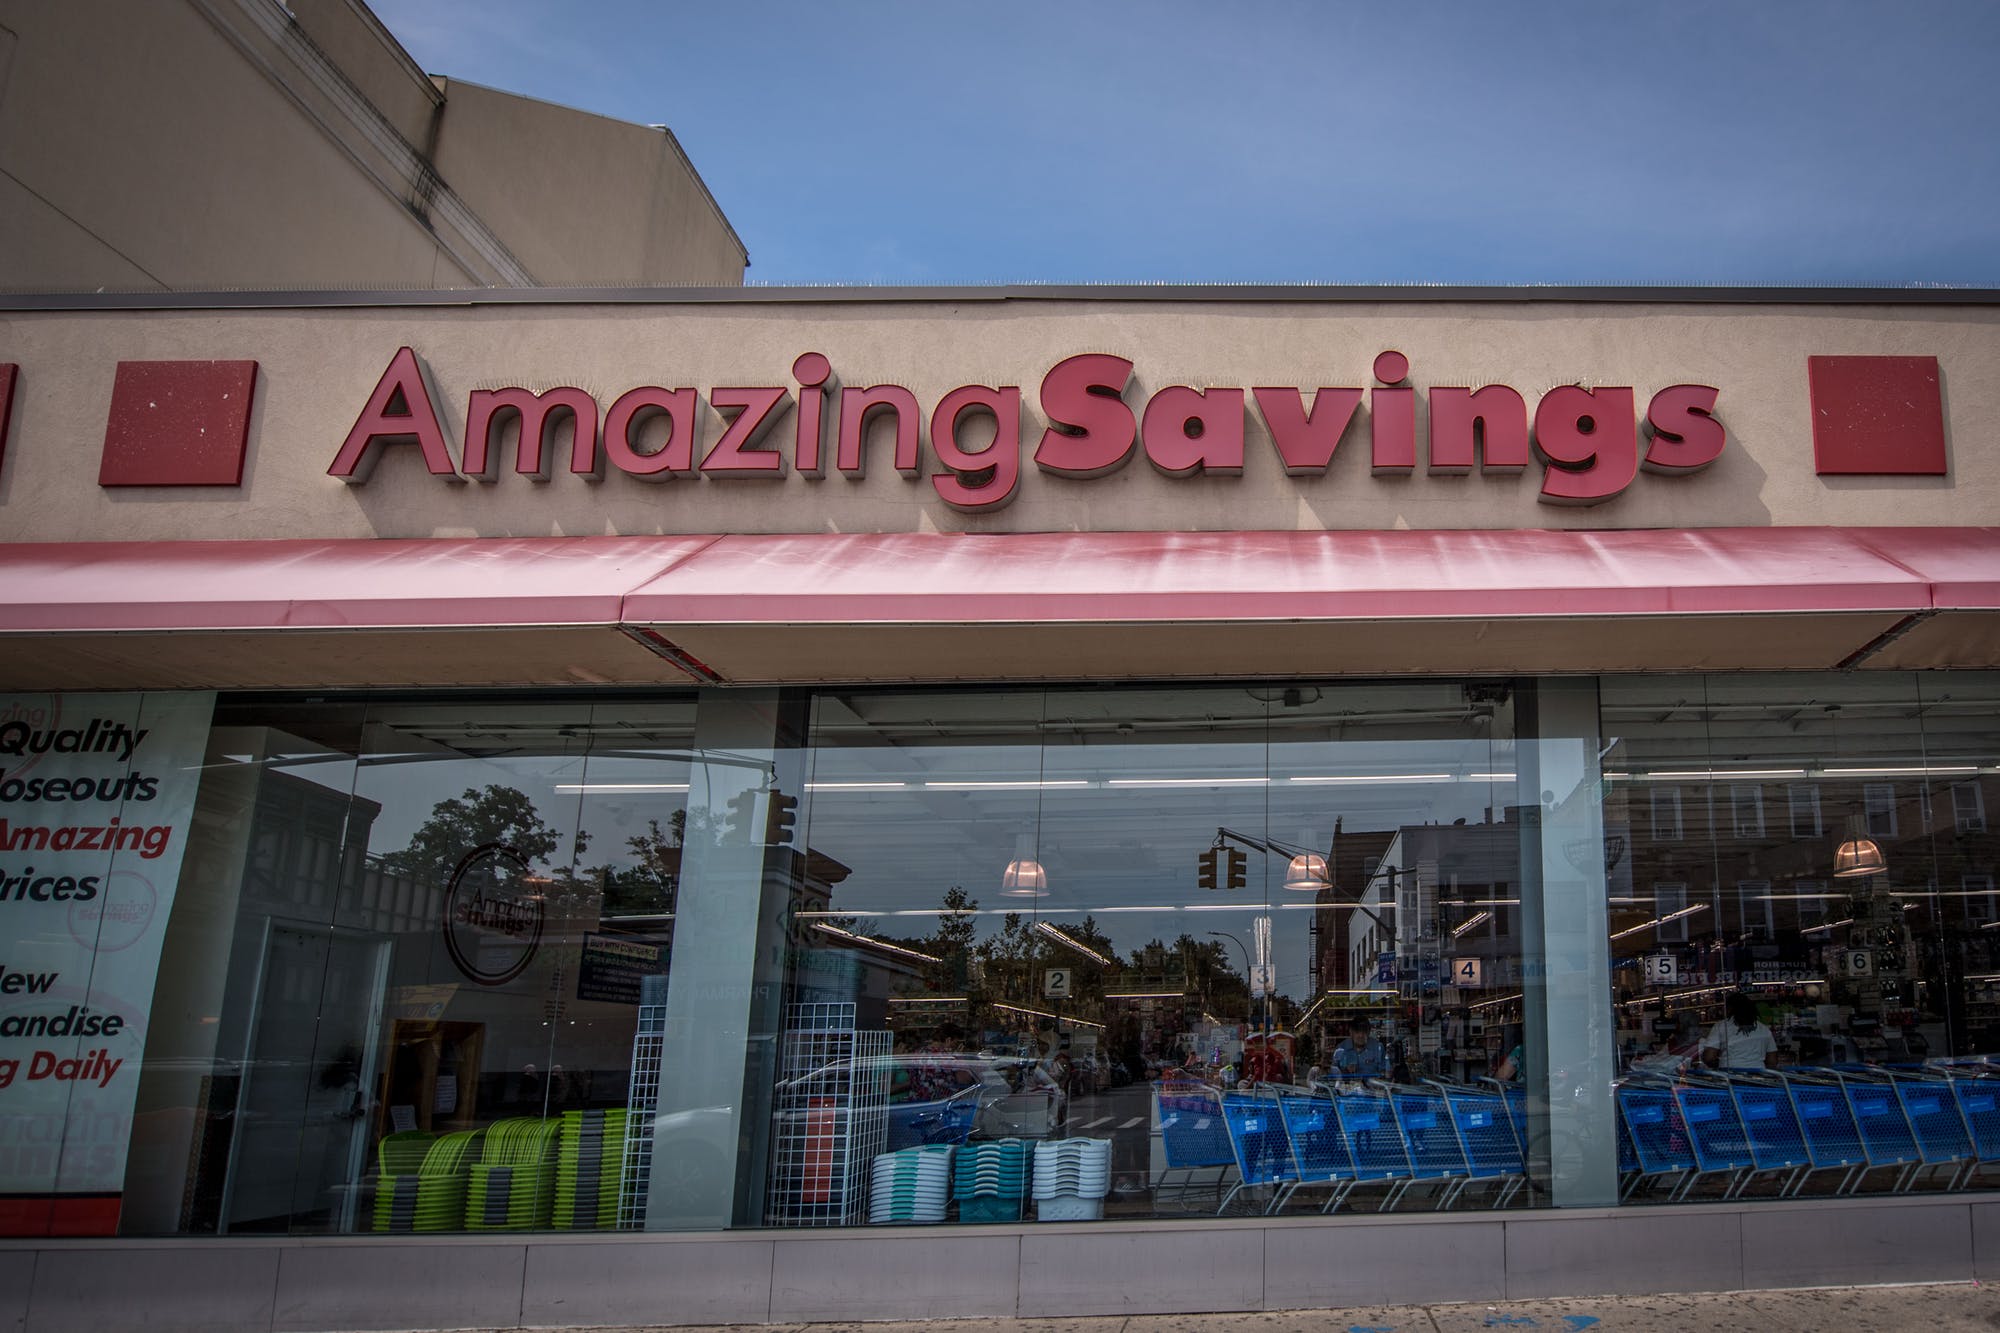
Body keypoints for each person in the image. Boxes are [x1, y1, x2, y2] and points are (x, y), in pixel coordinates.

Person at [1701, 993, 1779, 1070]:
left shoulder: (1720, 1026)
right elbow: (1772, 1061)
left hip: (1729, 1073)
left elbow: (1709, 1057)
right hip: (1758, 1073)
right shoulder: (1764, 1029)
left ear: (1729, 1008)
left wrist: (1720, 1063)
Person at [1329, 1016, 1390, 1081]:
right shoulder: (1341, 1048)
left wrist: (1380, 1077)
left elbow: (1386, 1073)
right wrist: (1345, 1070)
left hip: (1372, 1086)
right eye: (1357, 1031)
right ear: (1351, 1032)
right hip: (1347, 1086)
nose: (1361, 1035)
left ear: (1369, 1032)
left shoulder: (1378, 1047)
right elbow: (1333, 1075)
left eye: (1364, 1031)